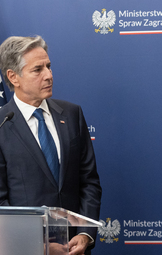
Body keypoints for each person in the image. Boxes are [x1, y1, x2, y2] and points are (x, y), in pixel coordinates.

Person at [0, 36, 102, 255]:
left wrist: (85, 234)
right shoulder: (2, 125)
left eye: (49, 66)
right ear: (13, 77)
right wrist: (38, 245)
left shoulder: (72, 114)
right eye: (38, 70)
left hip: (75, 249)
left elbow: (89, 182)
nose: (49, 75)